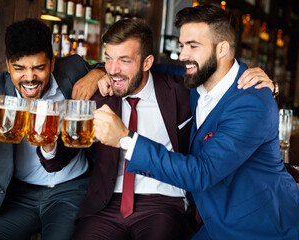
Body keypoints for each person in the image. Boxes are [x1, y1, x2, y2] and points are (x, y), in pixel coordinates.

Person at [93, 5, 299, 240]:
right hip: (215, 223)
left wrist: (126, 139)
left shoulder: (251, 102)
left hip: (259, 229)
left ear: (222, 49)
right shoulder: (199, 78)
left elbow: (202, 172)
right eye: (182, 45)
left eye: (193, 46)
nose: (183, 55)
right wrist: (97, 72)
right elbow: (141, 66)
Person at [61, 17, 275, 240]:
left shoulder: (184, 88)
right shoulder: (102, 91)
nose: (183, 55)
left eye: (124, 60)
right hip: (106, 202)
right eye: (108, 59)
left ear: (147, 62)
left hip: (165, 201)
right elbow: (61, 156)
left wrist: (270, 86)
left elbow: (218, 74)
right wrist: (96, 71)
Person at [0, 18, 104, 240]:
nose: (30, 78)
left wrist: (96, 74)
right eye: (19, 68)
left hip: (71, 191)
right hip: (17, 195)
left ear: (52, 64)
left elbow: (110, 66)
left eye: (39, 68)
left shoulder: (72, 69)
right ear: (7, 66)